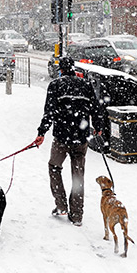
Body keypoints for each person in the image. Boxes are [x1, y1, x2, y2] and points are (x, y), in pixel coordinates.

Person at [34, 56, 106, 226]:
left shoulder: (55, 85)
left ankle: (61, 205)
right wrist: (97, 125)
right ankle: (77, 215)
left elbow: (49, 112)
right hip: (81, 137)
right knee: (78, 175)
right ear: (74, 69)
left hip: (61, 136)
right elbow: (96, 108)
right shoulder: (86, 85)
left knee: (54, 167)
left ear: (61, 69)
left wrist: (41, 132)